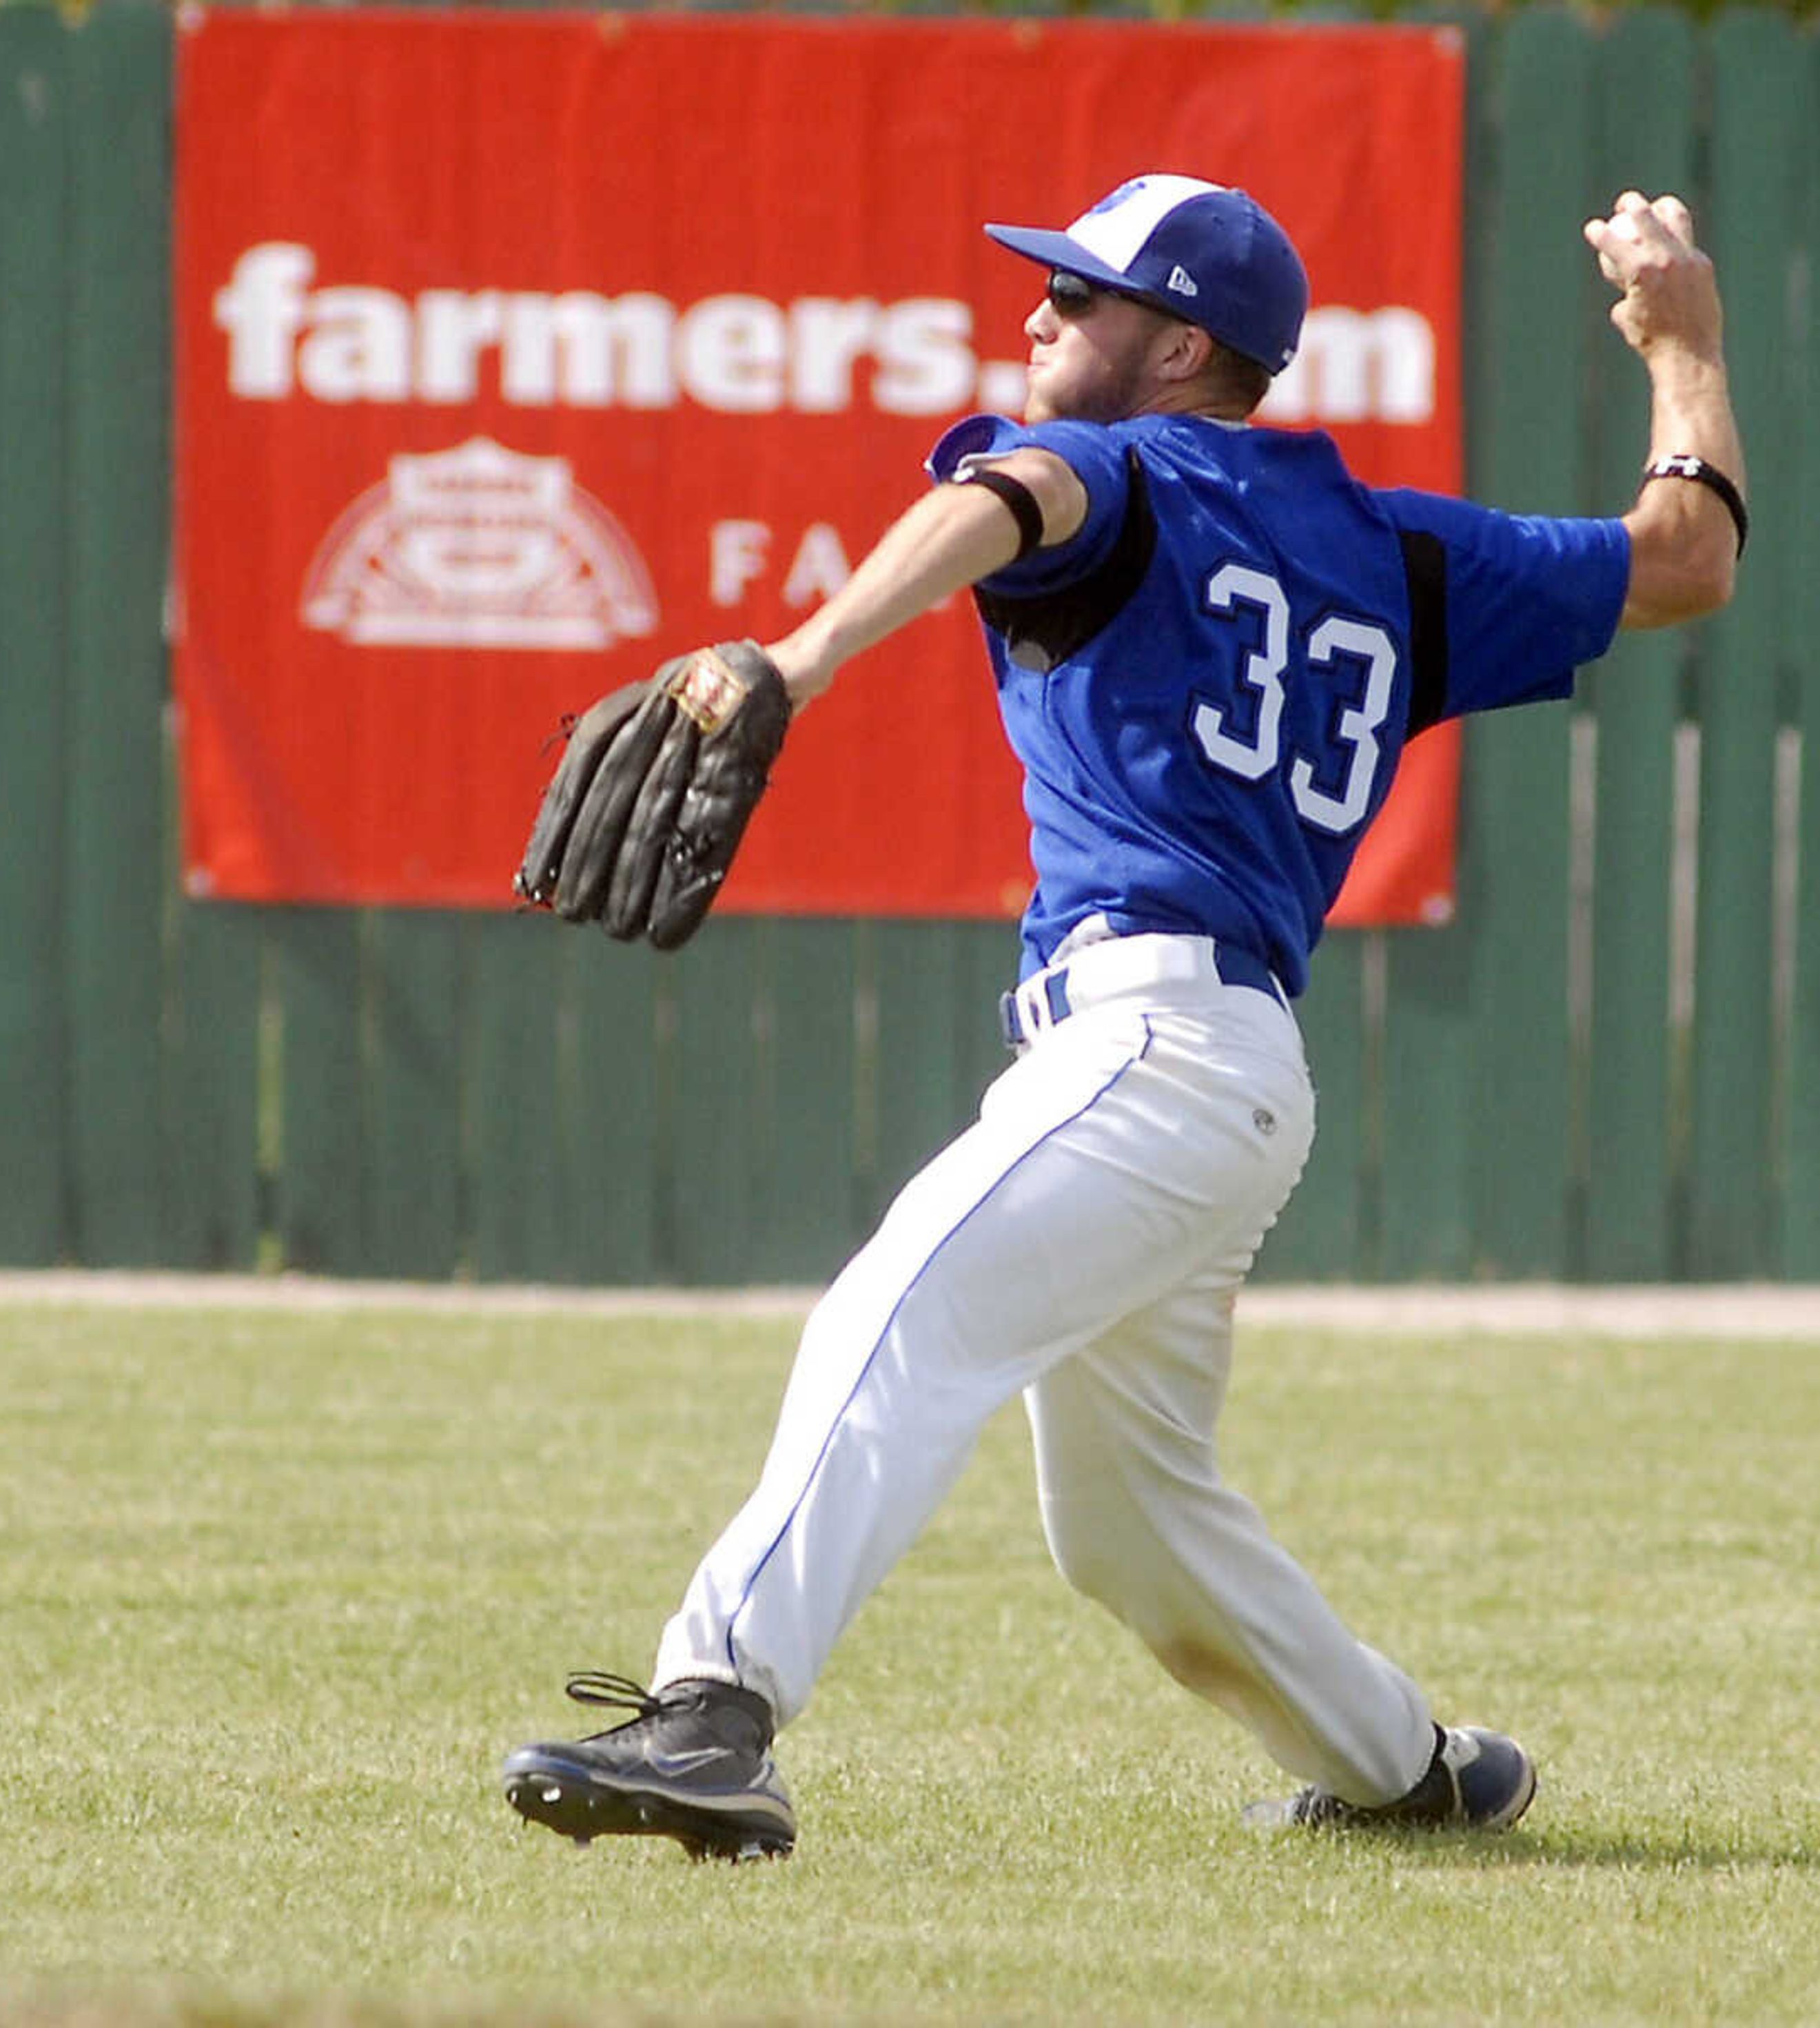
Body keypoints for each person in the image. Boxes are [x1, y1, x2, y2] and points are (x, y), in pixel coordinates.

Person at [501, 173, 1743, 1860]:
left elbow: (1001, 499)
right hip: (1229, 1078)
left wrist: (801, 655)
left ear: (1177, 346)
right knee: (1129, 1520)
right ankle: (1410, 1765)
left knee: (898, 1314)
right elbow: (1690, 559)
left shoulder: (1115, 469)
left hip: (1149, 1052)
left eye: (1076, 298)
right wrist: (1685, 349)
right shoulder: (1398, 548)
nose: (1035, 317)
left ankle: (713, 1710)